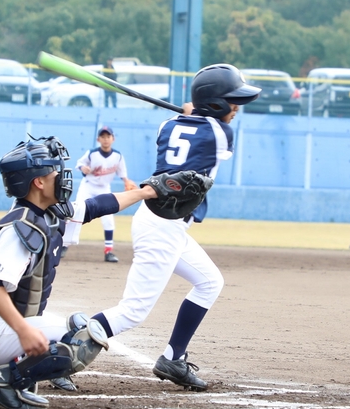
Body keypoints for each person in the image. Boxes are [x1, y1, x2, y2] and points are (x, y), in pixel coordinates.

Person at [0, 136, 161, 409]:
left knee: (43, 358)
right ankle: (2, 383)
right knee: (81, 337)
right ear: (38, 182)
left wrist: (147, 192)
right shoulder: (21, 226)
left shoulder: (49, 213)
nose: (62, 176)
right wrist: (23, 331)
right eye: (55, 171)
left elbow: (98, 206)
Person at [91, 64, 261, 391]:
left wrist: (192, 115)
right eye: (232, 101)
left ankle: (173, 358)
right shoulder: (222, 133)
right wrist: (198, 116)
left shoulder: (167, 124)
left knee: (209, 282)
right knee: (133, 311)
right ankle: (61, 349)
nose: (237, 108)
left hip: (162, 221)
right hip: (163, 228)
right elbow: (206, 133)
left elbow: (189, 130)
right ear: (215, 104)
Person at [61, 126, 136, 263]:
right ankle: (63, 246)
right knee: (75, 214)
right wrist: (83, 168)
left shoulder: (118, 156)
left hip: (104, 188)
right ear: (98, 139)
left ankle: (109, 252)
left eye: (108, 136)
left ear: (113, 139)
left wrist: (126, 181)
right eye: (103, 136)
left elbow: (122, 173)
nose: (106, 139)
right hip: (88, 186)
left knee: (108, 219)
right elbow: (79, 164)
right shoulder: (92, 153)